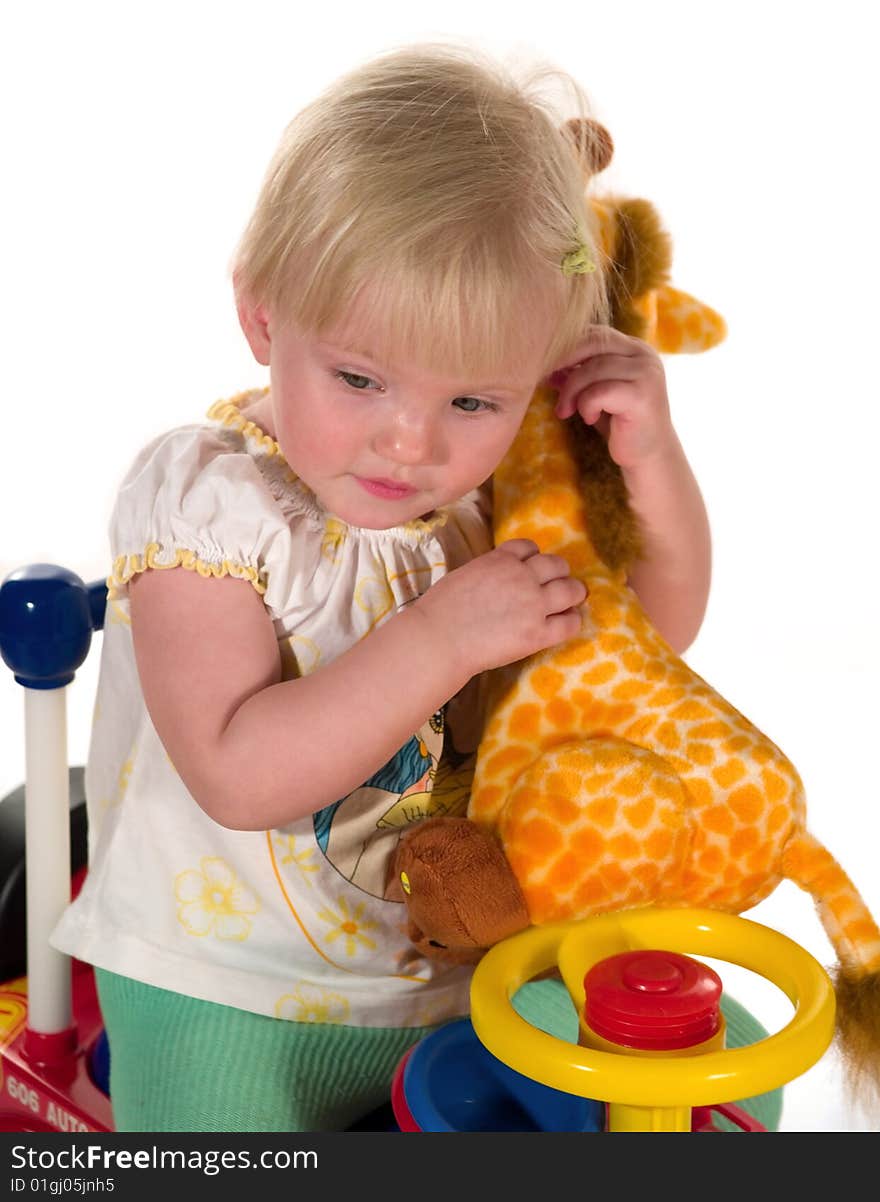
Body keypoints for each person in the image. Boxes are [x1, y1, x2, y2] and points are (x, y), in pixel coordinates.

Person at [50, 43, 747, 1133]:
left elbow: (652, 633)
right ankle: (122, 1080)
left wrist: (651, 455)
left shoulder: (482, 510)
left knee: (720, 1066)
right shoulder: (212, 507)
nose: (410, 440)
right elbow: (235, 769)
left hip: (460, 973)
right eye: (360, 378)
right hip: (227, 987)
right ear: (266, 317)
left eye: (474, 398)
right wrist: (438, 639)